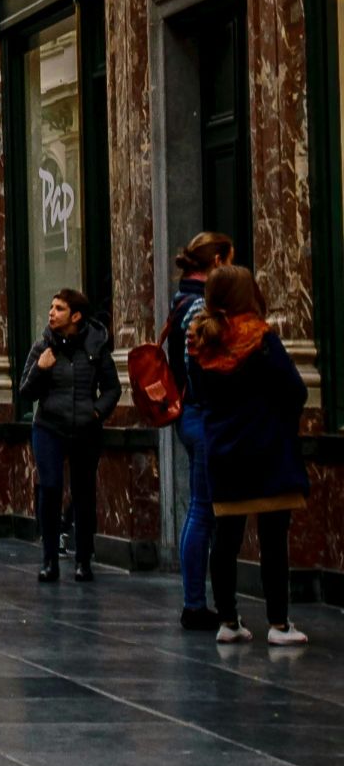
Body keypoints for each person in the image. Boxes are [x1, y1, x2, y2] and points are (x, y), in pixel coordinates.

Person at [187, 266, 310, 646]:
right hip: (268, 448)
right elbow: (296, 390)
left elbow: (198, 394)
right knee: (273, 540)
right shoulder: (261, 338)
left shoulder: (200, 341)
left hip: (223, 450)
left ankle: (228, 620)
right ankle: (279, 624)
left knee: (225, 538)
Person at [18, 288, 120, 583]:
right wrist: (40, 369)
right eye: (51, 307)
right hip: (49, 427)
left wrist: (96, 412)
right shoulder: (43, 346)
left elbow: (112, 388)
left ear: (75, 316)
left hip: (85, 428)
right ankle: (49, 559)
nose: (51, 313)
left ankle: (83, 560)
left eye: (59, 308)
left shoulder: (96, 345)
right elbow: (26, 392)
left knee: (84, 492)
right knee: (50, 488)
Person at [168, 232, 234, 630]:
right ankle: (194, 603)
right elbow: (197, 365)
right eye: (230, 260)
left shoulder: (182, 299)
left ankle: (196, 600)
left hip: (189, 414)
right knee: (202, 509)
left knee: (201, 508)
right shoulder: (198, 305)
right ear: (218, 262)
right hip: (200, 413)